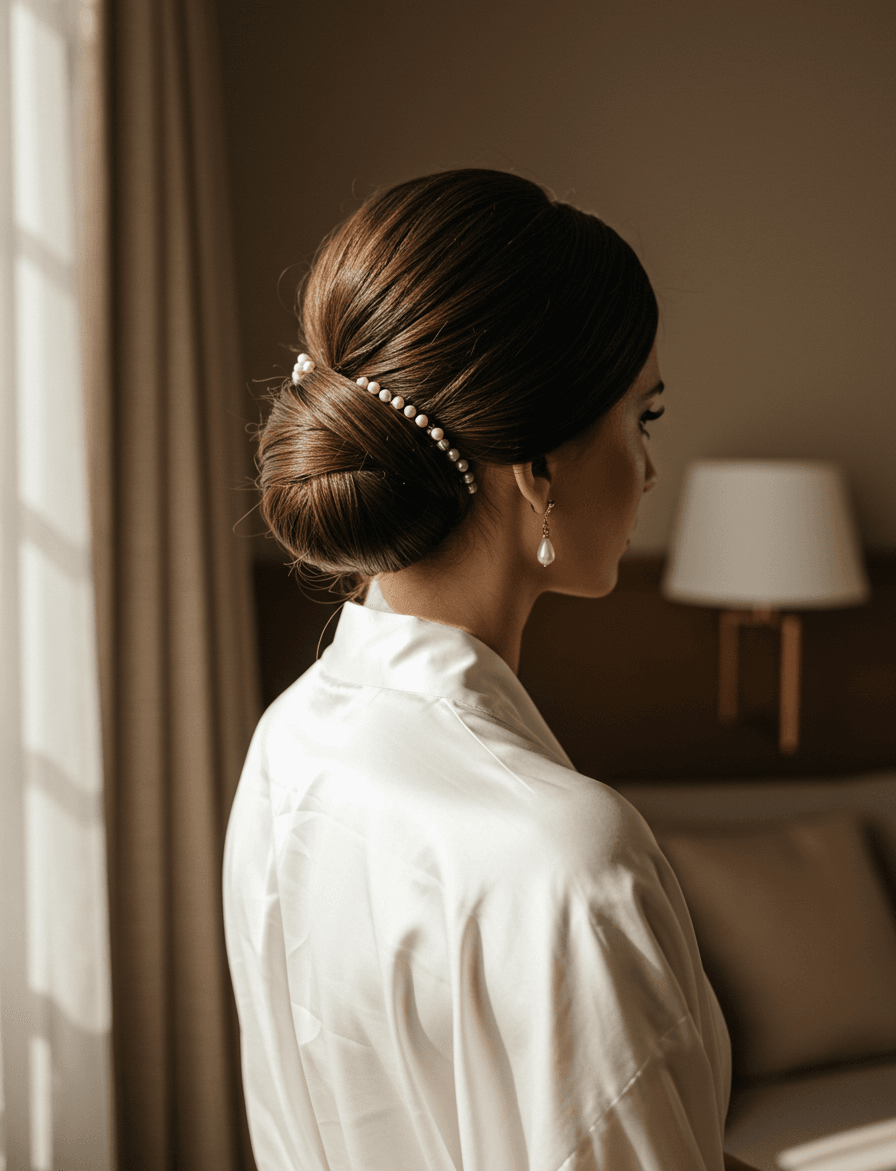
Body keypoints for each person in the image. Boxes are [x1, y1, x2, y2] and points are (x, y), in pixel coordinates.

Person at [223, 169, 756, 1170]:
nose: (647, 471)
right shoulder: (566, 860)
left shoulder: (286, 740)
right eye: (640, 417)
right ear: (539, 469)